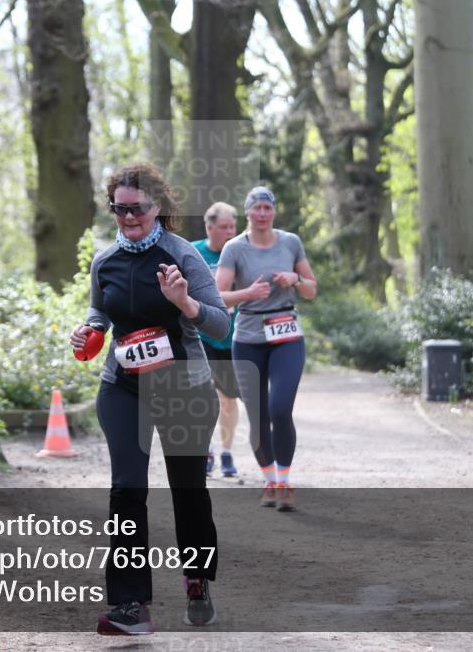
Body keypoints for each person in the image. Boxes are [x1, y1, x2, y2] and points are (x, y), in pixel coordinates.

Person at [70, 163, 229, 635]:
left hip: (184, 386)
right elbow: (101, 307)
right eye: (118, 208)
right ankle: (129, 605)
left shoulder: (182, 255)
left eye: (135, 208)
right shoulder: (105, 261)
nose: (126, 217)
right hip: (124, 386)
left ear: (157, 207)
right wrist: (91, 329)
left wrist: (185, 303)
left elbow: (221, 325)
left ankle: (197, 579)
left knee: (188, 491)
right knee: (127, 490)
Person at [215, 186, 317, 512]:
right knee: (258, 416)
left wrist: (296, 280)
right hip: (247, 337)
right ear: (248, 212)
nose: (262, 213)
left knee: (280, 408)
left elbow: (312, 289)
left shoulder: (291, 242)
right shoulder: (234, 248)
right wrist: (247, 293)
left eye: (267, 208)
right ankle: (270, 479)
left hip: (286, 332)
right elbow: (218, 296)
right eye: (256, 208)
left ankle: (284, 481)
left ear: (274, 211)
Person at [191, 202, 241, 477]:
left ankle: (227, 452)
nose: (230, 232)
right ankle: (206, 451)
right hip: (202, 335)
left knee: (228, 400)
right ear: (209, 227)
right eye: (224, 227)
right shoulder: (194, 251)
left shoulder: (243, 251)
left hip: (233, 338)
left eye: (233, 226)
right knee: (204, 395)